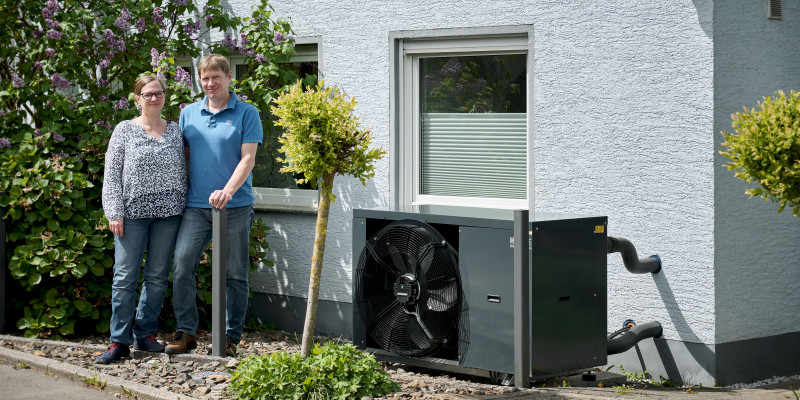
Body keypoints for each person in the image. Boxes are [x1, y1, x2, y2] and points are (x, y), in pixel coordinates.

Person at [166, 54, 262, 356]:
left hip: (234, 207)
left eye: (215, 77)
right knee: (182, 265)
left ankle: (230, 337)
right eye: (204, 78)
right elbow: (184, 157)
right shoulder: (189, 114)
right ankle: (187, 332)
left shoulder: (247, 113)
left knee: (235, 272)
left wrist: (228, 191)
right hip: (196, 206)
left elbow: (248, 158)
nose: (210, 83)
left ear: (229, 77)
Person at [97, 75, 187, 364]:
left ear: (164, 96)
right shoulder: (124, 130)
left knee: (157, 278)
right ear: (137, 98)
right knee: (124, 278)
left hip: (169, 214)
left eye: (158, 93)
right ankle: (118, 341)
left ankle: (145, 334)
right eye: (148, 94)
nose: (154, 98)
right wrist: (114, 212)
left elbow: (185, 168)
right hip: (131, 215)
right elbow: (111, 174)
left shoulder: (175, 130)